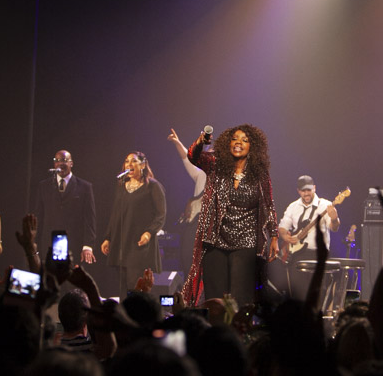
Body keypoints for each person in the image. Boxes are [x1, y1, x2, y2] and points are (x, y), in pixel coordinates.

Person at [181, 124, 279, 307]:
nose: (238, 143)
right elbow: (192, 156)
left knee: (240, 298)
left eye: (245, 140)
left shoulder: (259, 173)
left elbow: (268, 204)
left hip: (246, 241)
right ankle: (217, 333)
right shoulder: (215, 165)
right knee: (215, 299)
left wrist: (274, 235)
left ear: (253, 146)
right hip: (215, 240)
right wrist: (201, 141)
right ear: (228, 142)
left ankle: (239, 332)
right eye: (235, 139)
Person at [101, 151, 166, 299]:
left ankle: (137, 318)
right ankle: (125, 318)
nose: (129, 164)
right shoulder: (122, 185)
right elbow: (116, 214)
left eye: (134, 161)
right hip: (122, 243)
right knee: (122, 287)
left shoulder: (152, 186)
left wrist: (149, 232)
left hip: (139, 245)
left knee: (135, 285)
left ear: (143, 165)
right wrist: (108, 237)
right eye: (127, 161)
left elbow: (160, 214)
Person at [278, 175, 340, 300]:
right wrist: (285, 236)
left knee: (318, 291)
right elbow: (282, 226)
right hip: (297, 255)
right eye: (303, 190)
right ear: (298, 191)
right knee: (298, 291)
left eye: (309, 190)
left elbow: (334, 227)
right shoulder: (293, 206)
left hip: (319, 254)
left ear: (314, 188)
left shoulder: (325, 205)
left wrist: (334, 218)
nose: (306, 193)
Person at [34, 150, 96, 264]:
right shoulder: (44, 186)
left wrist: (88, 245)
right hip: (49, 244)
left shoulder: (85, 187)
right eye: (57, 161)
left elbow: (89, 219)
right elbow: (39, 216)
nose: (60, 163)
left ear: (71, 163)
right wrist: (34, 241)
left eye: (64, 160)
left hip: (74, 245)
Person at [167, 128, 207, 281]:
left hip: (215, 226)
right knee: (188, 259)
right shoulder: (201, 173)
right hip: (195, 224)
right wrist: (177, 142)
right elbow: (186, 157)